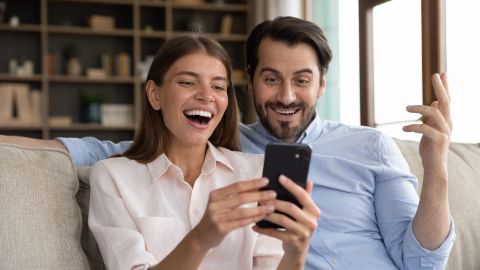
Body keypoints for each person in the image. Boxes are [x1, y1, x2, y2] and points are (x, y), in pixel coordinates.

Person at [0, 17, 455, 269]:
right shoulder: (237, 148)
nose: (286, 96)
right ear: (252, 84)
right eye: (271, 79)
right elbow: (113, 152)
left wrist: (436, 167)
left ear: (321, 86)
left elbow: (423, 263)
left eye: (302, 80)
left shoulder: (369, 146)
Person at [87, 34, 320, 270]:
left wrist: (296, 252)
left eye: (218, 87)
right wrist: (202, 237)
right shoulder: (112, 177)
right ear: (155, 95)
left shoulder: (255, 173)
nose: (206, 95)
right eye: (188, 82)